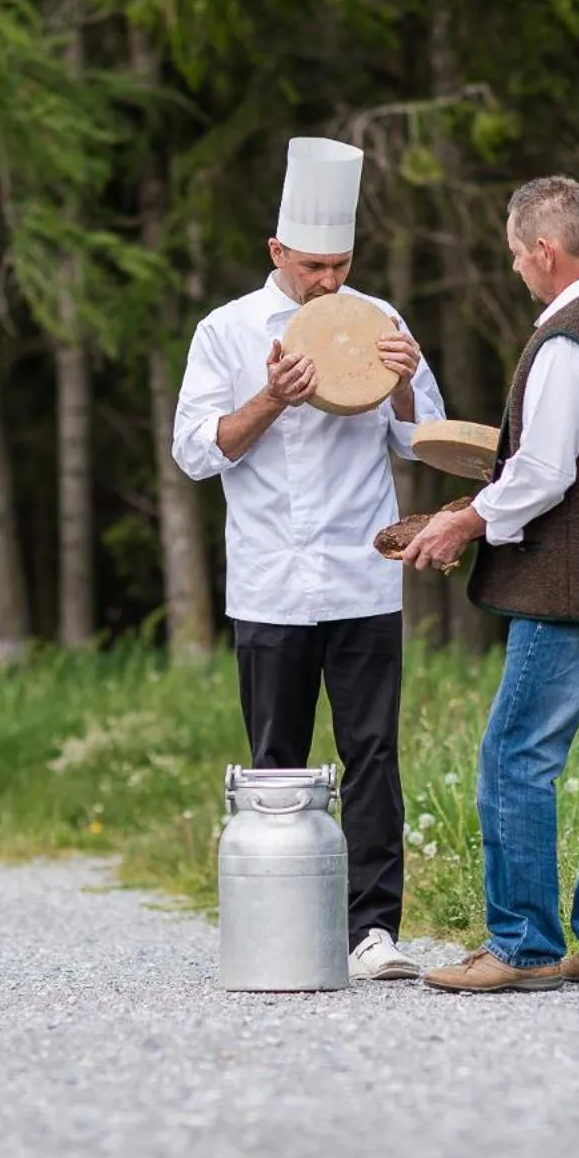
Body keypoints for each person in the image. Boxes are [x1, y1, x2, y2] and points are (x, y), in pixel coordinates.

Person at [401, 175, 579, 994]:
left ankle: (523, 945)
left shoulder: (569, 340)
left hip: (577, 592)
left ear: (545, 250)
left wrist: (466, 519)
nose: (517, 272)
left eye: (516, 257)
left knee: (515, 755)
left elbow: (544, 472)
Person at [171, 136, 448, 982]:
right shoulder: (224, 331)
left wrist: (403, 381)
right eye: (316, 266)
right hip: (268, 582)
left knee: (373, 754)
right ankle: (283, 921)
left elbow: (423, 438)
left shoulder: (380, 322)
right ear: (277, 252)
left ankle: (374, 930)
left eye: (342, 265)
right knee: (276, 759)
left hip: (361, 573)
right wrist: (271, 397)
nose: (330, 282)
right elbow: (193, 450)